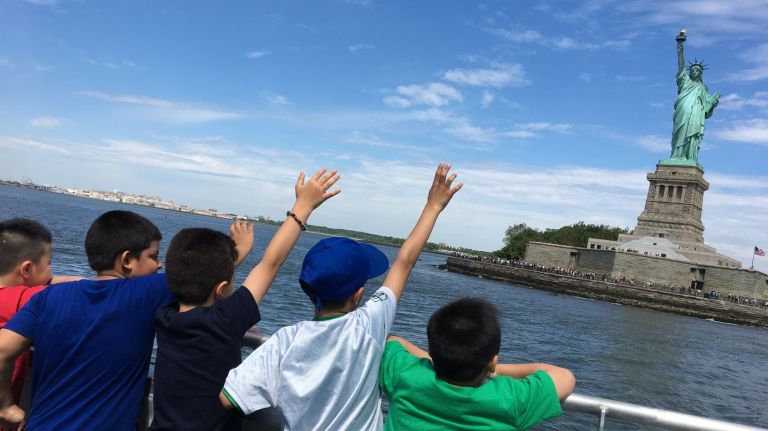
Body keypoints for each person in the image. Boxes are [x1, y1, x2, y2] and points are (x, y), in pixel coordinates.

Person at [220, 162, 463, 431]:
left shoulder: (283, 341)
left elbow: (228, 398)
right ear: (358, 295)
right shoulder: (369, 323)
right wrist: (433, 206)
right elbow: (404, 262)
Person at [0, 210, 247, 430]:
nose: (160, 265)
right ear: (127, 260)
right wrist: (237, 252)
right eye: (154, 256)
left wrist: (6, 406)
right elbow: (202, 276)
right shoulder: (149, 292)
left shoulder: (48, 297)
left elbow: (2, 350)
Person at [150, 168, 340, 431]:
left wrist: (232, 256)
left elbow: (201, 276)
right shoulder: (225, 319)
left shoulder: (163, 314)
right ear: (221, 289)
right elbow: (271, 263)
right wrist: (302, 207)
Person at [379, 298, 576, 430]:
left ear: (433, 353)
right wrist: (491, 368)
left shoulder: (405, 374)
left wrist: (441, 357)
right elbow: (565, 377)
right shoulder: (510, 399)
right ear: (492, 362)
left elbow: (393, 341)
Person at [0, 218, 81, 407]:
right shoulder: (24, 300)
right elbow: (79, 286)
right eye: (50, 262)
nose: (52, 270)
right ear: (27, 268)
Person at [668, 36, 719, 164]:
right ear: (689, 72)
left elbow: (707, 109)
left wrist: (713, 103)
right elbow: (681, 66)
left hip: (696, 113)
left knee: (693, 135)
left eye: (698, 70)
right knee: (679, 132)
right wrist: (680, 47)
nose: (695, 71)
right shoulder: (685, 80)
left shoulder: (703, 87)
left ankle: (690, 158)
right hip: (683, 110)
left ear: (701, 73)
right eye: (693, 70)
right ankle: (676, 156)